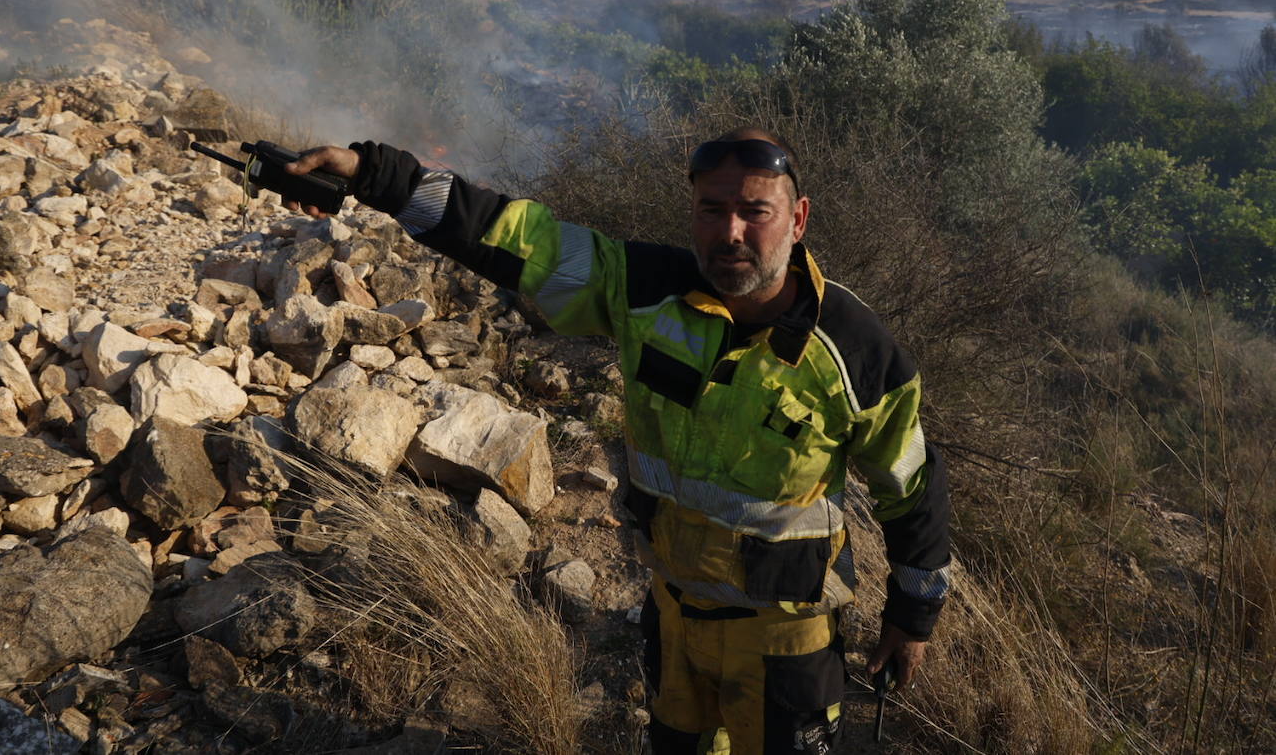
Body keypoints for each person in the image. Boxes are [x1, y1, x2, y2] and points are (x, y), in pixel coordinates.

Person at [282, 128, 951, 754]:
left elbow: (912, 489)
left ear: (798, 218)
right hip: (672, 615)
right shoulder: (641, 289)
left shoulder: (857, 352)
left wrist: (913, 616)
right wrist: (377, 174)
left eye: (756, 211)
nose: (731, 232)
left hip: (785, 641)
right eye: (711, 209)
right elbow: (517, 237)